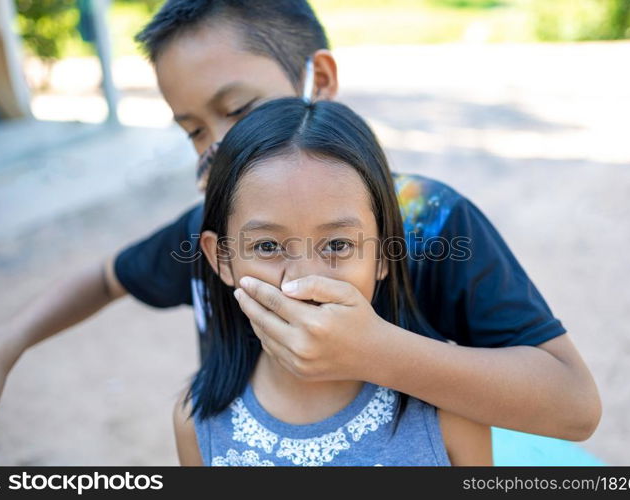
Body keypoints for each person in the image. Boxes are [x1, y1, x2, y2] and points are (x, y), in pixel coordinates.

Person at [0, 0, 600, 442]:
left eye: (238, 109)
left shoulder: (428, 221)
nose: (216, 146)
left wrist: (378, 351)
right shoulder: (209, 232)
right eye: (193, 130)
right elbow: (108, 277)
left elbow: (573, 405)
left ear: (318, 80)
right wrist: (5, 342)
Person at [173, 97, 492, 466]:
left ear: (386, 253)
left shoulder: (452, 409)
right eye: (268, 246)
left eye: (338, 244)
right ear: (222, 259)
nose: (305, 280)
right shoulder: (196, 421)